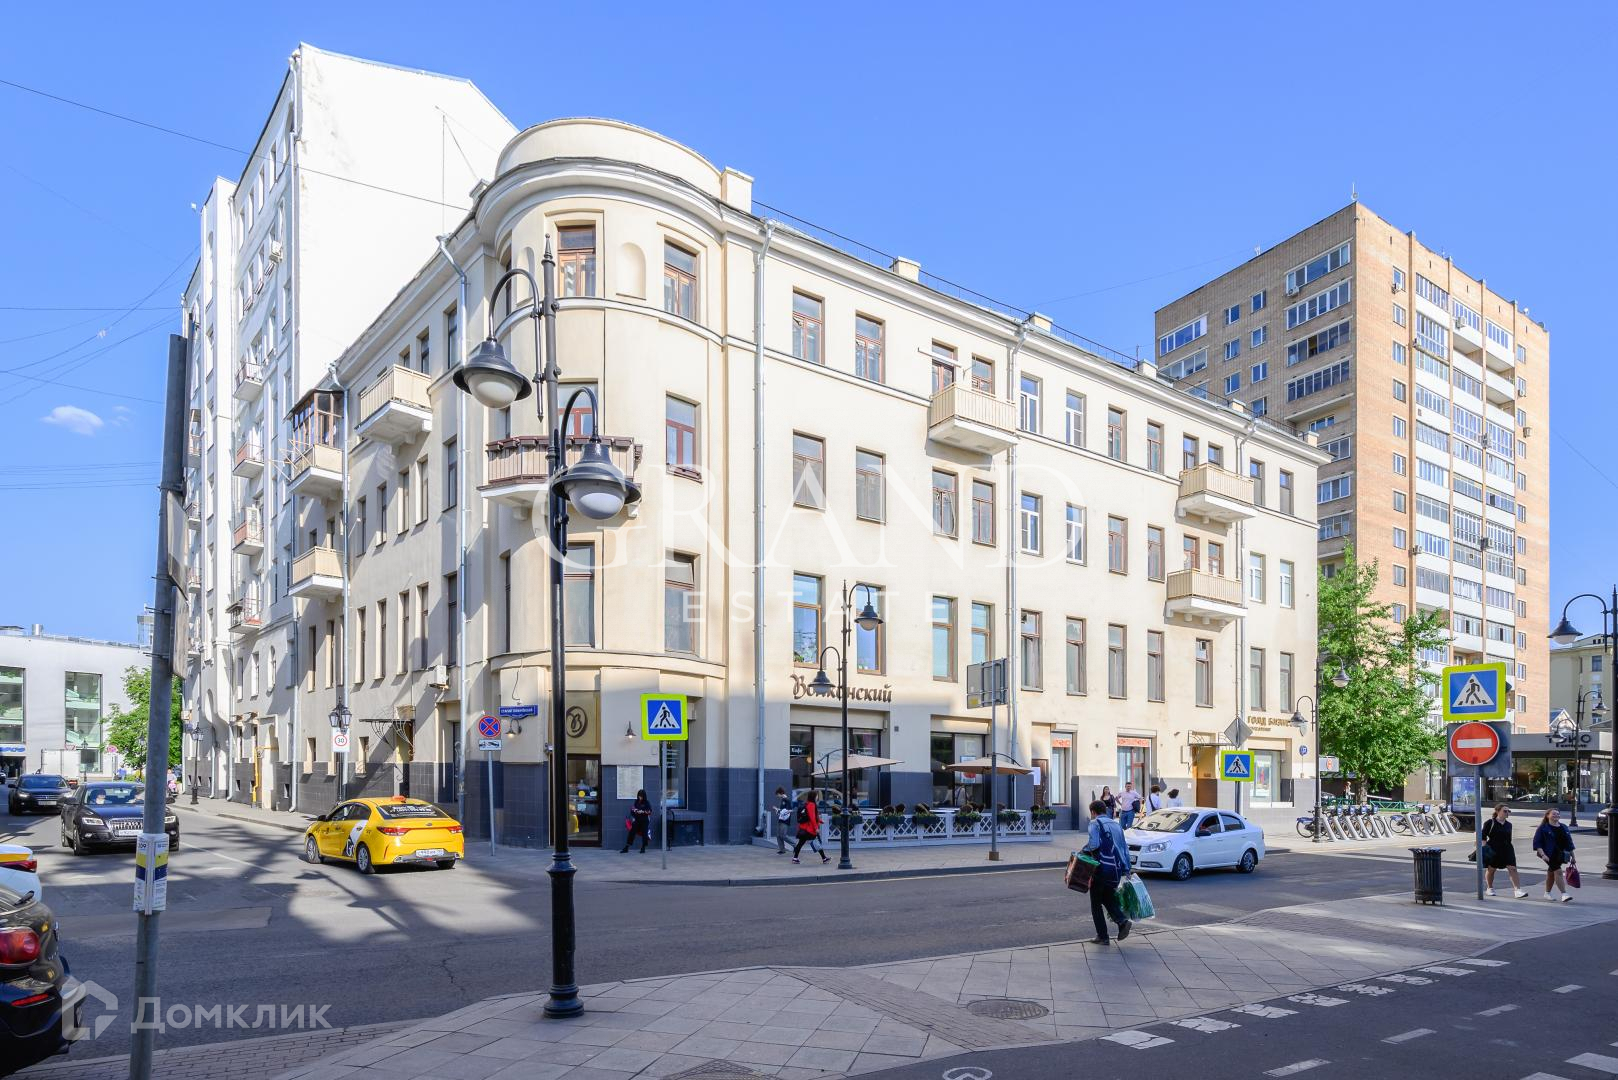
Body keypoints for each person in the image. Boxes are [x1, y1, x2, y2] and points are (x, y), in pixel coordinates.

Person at [1080, 799, 1133, 945]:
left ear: (1093, 812)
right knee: (1107, 897)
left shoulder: (1095, 823)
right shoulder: (1117, 825)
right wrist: (1127, 869)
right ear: (1105, 810)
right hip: (1116, 870)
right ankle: (1122, 922)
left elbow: (1094, 845)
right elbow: (1124, 848)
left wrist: (1082, 853)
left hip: (1101, 868)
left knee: (1095, 903)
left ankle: (1103, 936)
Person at [1480, 805, 1527, 898]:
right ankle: (1489, 888)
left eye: (1508, 811)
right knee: (1492, 869)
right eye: (1505, 811)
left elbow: (1509, 838)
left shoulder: (1509, 824)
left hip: (1507, 848)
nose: (1507, 813)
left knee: (1512, 868)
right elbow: (1483, 836)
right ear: (1498, 811)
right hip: (1494, 848)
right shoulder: (1490, 822)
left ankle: (1517, 890)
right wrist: (1484, 848)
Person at [1532, 808, 1575, 902]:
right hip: (1548, 854)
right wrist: (1543, 855)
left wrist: (1573, 856)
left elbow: (1569, 843)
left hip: (1560, 854)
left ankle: (1547, 893)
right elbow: (1537, 842)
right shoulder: (1543, 827)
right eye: (1554, 814)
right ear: (1548, 815)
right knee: (1558, 871)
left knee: (1551, 872)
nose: (1556, 815)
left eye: (1558, 814)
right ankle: (1564, 894)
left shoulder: (1563, 827)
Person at [792, 791, 830, 864]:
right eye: (816, 796)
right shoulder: (811, 805)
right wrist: (816, 828)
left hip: (805, 828)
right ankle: (824, 858)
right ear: (813, 796)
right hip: (809, 829)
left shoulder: (808, 803)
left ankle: (795, 858)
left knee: (801, 843)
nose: (817, 797)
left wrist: (820, 821)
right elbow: (812, 818)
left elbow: (814, 817)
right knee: (815, 842)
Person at [620, 789, 652, 853]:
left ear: (644, 796)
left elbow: (649, 811)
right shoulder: (636, 801)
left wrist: (642, 812)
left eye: (641, 796)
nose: (640, 797)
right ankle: (627, 847)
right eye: (639, 796)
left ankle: (643, 847)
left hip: (644, 820)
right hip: (637, 820)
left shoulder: (646, 802)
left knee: (644, 833)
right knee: (631, 832)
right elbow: (633, 809)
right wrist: (635, 811)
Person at [773, 787, 794, 854]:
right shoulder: (783, 800)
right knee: (778, 835)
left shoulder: (786, 800)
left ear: (781, 793)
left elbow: (789, 810)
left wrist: (778, 810)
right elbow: (782, 810)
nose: (777, 796)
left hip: (785, 820)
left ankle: (795, 845)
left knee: (783, 835)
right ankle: (782, 850)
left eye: (778, 794)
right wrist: (777, 810)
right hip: (781, 819)